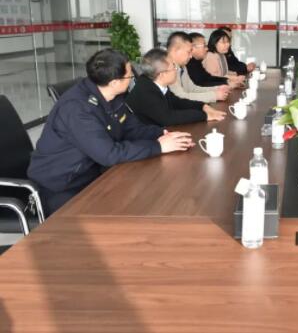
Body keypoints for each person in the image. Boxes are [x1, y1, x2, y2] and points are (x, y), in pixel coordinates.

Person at [27, 49, 194, 216]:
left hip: (93, 174)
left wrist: (163, 134)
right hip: (62, 185)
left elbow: (132, 129)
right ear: (115, 82)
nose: (132, 79)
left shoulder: (111, 95)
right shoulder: (77, 109)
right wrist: (158, 147)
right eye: (130, 77)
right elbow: (108, 154)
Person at [126, 48, 226, 126]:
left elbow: (177, 101)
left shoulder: (156, 83)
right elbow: (168, 118)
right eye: (173, 67)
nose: (176, 69)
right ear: (162, 74)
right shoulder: (146, 91)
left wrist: (203, 106)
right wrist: (205, 116)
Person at [166, 31, 230, 103]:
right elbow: (179, 97)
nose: (191, 56)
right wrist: (214, 95)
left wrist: (217, 88)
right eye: (188, 52)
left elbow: (192, 88)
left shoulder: (182, 66)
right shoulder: (167, 68)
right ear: (175, 50)